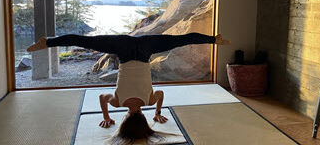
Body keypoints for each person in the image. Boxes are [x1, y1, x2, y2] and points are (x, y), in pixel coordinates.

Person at [27, 32, 230, 142]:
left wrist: (157, 112)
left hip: (145, 48)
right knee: (85, 41)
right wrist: (106, 116)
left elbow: (160, 94)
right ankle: (48, 42)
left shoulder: (149, 100)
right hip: (122, 47)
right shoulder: (117, 102)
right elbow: (101, 99)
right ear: (125, 119)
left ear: (144, 118)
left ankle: (214, 39)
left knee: (180, 40)